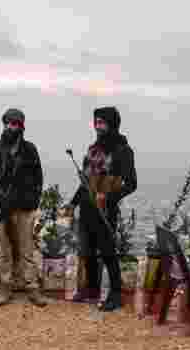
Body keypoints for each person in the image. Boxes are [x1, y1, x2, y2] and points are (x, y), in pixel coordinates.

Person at [64, 106, 137, 311]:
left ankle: (115, 294)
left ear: (112, 124)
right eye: (96, 122)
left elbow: (132, 183)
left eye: (102, 122)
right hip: (87, 208)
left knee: (107, 251)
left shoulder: (123, 151)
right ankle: (92, 289)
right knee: (87, 250)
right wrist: (72, 203)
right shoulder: (93, 149)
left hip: (106, 209)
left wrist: (110, 197)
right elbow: (85, 181)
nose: (98, 126)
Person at [0, 108, 46, 307]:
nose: (11, 127)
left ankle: (32, 287)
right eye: (8, 123)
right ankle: (6, 286)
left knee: (27, 250)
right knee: (5, 252)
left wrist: (33, 201)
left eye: (15, 123)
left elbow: (38, 178)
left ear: (21, 126)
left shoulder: (29, 149)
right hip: (2, 208)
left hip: (25, 209)